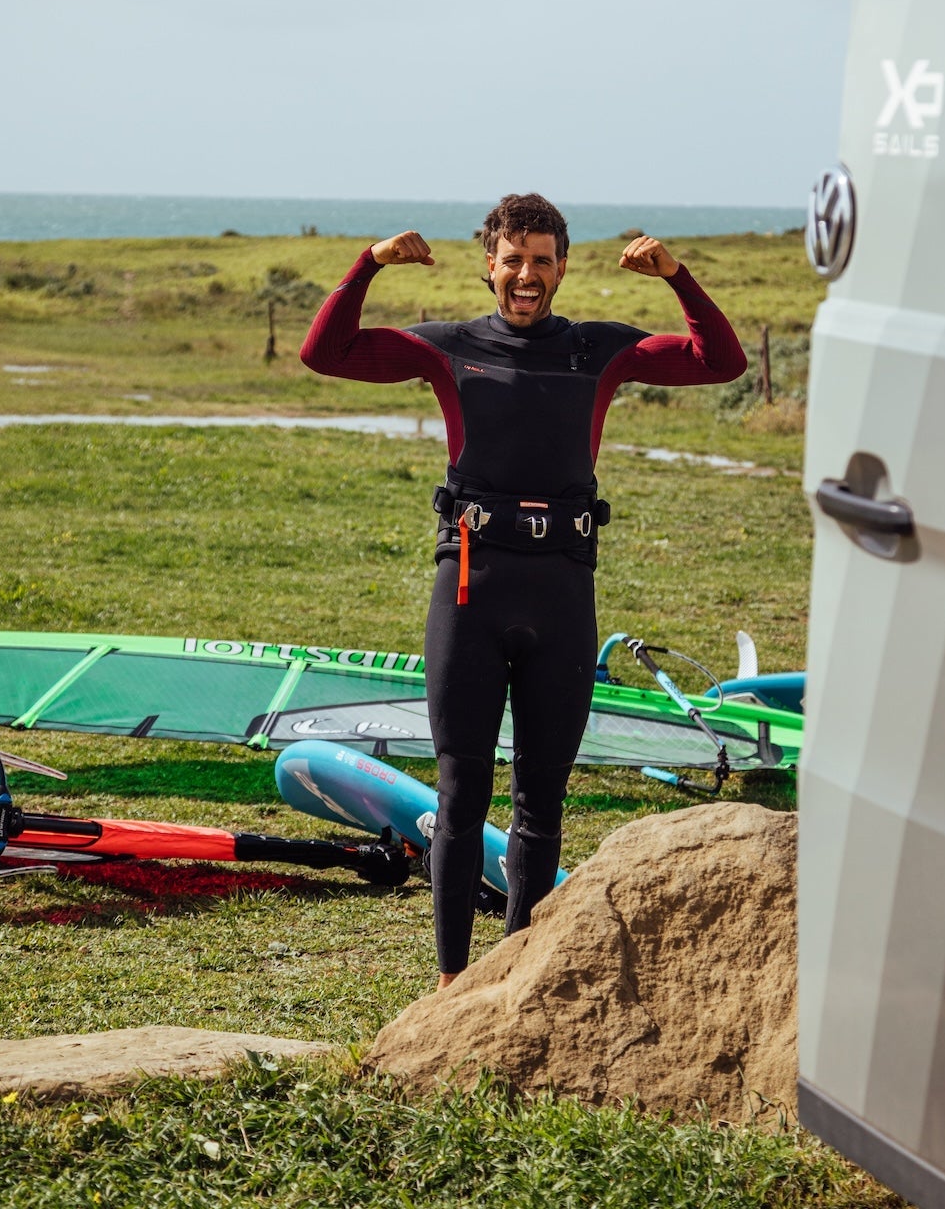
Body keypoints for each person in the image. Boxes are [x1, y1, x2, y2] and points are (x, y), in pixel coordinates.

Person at [300, 192, 745, 986]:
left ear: (564, 267)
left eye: (543, 260)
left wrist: (677, 276)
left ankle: (508, 986)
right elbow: (324, 353)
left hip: (563, 593)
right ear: (490, 266)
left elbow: (721, 362)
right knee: (461, 787)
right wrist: (366, 264)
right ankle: (448, 985)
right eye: (514, 260)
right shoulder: (451, 346)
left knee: (542, 802)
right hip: (471, 589)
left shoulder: (596, 349)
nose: (528, 275)